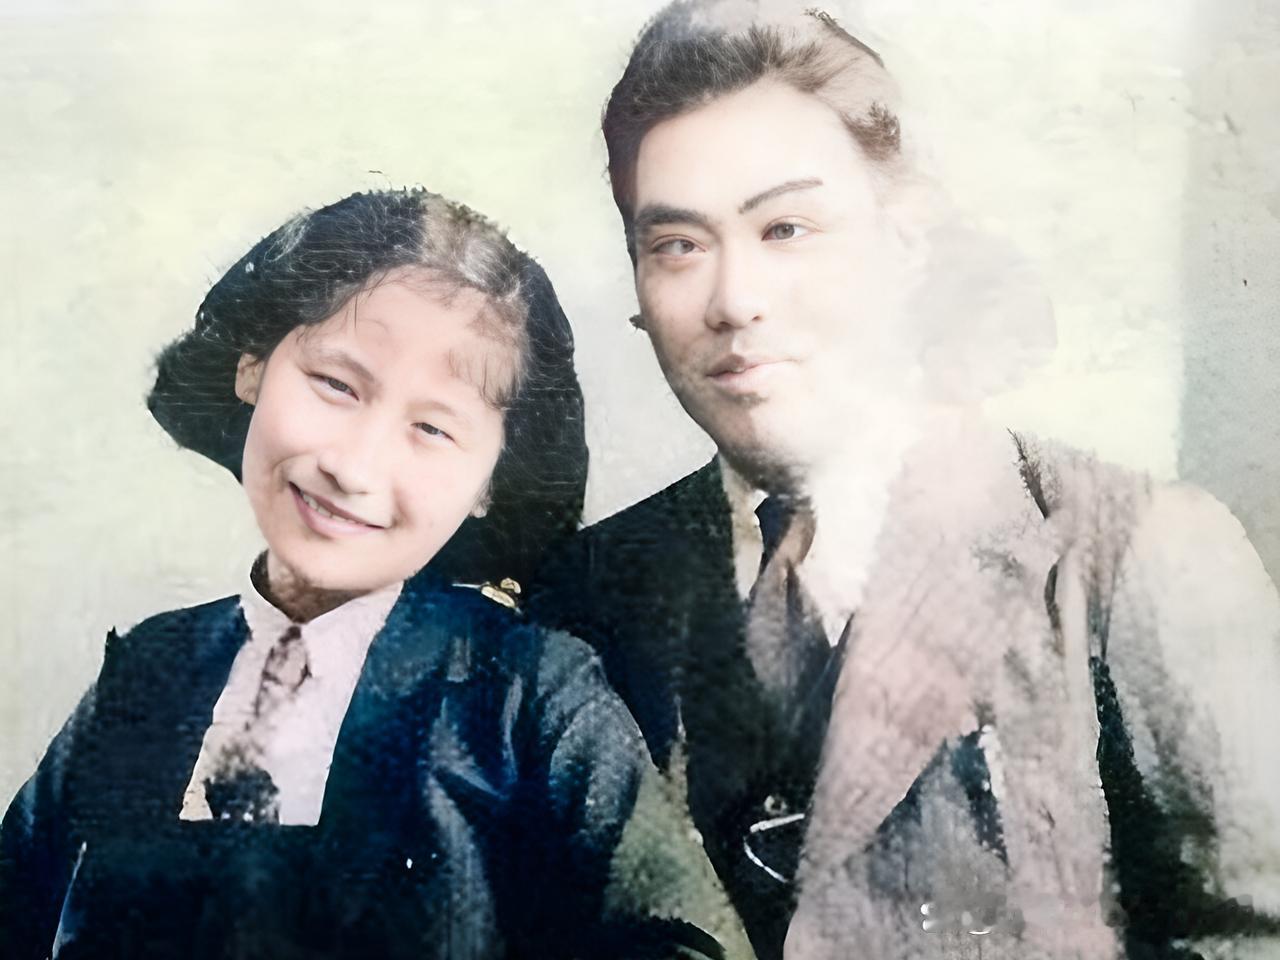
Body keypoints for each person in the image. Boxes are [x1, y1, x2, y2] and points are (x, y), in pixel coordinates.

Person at [531, 4, 1280, 958]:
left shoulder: (1136, 551)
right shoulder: (588, 593)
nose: (735, 301)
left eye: (786, 228)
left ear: (908, 238)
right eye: (677, 245)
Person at [0, 188, 750, 960]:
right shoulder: (148, 671)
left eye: (431, 428)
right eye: (336, 385)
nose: (354, 467)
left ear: (492, 481)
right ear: (253, 366)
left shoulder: (527, 696)